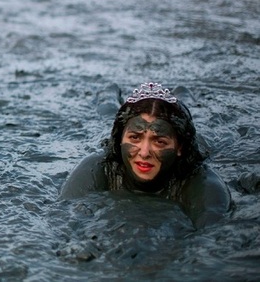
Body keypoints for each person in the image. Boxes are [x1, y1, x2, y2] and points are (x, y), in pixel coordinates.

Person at [59, 82, 231, 228]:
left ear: (179, 147)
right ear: (120, 140)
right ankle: (109, 92)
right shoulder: (98, 166)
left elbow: (212, 234)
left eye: (159, 142)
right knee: (107, 112)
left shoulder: (200, 179)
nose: (144, 152)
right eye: (135, 138)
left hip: (201, 139)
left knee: (192, 113)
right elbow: (65, 219)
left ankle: (182, 93)